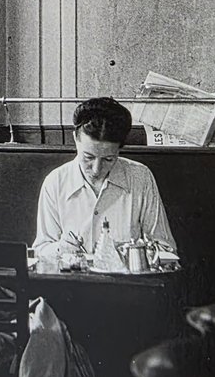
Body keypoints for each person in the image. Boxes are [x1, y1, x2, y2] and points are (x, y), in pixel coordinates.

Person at [33, 97, 177, 264]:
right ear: (75, 138)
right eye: (88, 157)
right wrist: (60, 248)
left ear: (119, 149)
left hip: (127, 279)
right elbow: (41, 249)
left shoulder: (140, 177)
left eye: (108, 159)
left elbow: (166, 249)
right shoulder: (55, 182)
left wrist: (134, 253)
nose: (96, 169)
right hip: (74, 279)